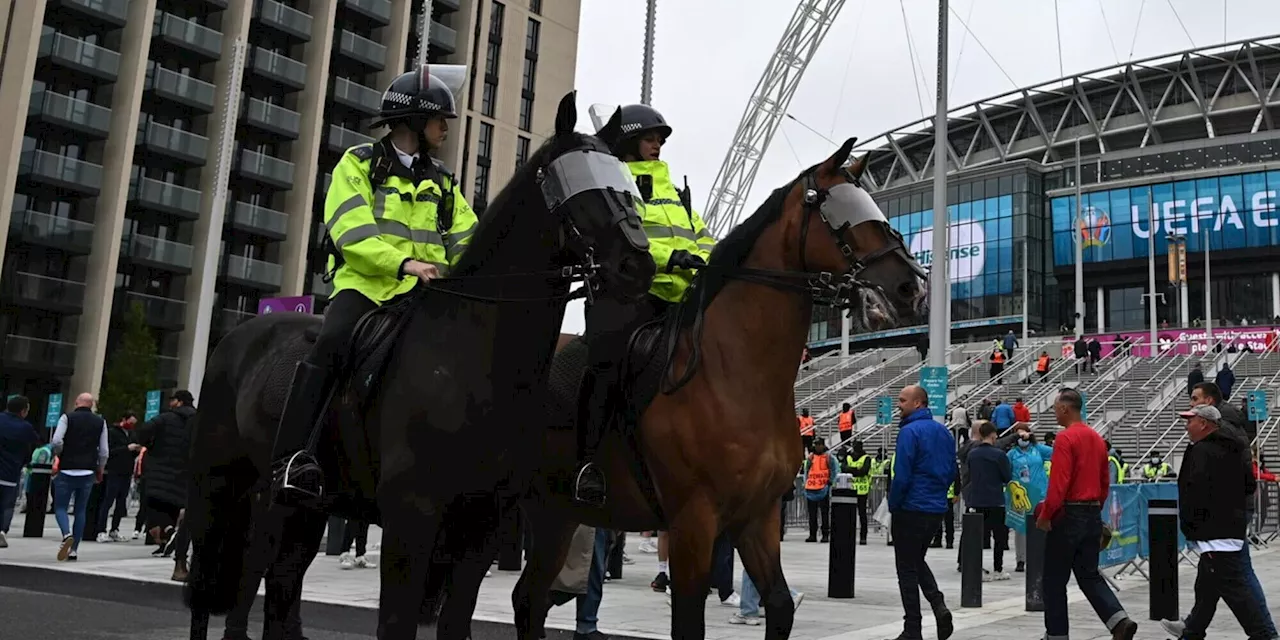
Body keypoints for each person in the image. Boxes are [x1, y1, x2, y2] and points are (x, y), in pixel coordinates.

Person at [271, 64, 478, 503]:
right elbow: (350, 228)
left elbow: (466, 238)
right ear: (416, 122)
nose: (446, 128)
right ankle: (292, 459)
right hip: (365, 287)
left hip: (428, 294)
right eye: (441, 119)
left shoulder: (442, 180)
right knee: (332, 341)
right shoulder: (358, 163)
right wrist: (404, 263)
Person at [574, 103, 715, 508]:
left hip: (684, 297)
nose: (658, 146)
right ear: (629, 142)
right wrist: (670, 258)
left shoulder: (674, 189)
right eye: (651, 138)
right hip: (635, 293)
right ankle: (590, 463)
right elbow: (622, 240)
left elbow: (701, 234)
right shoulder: (616, 184)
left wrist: (716, 261)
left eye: (660, 140)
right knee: (609, 363)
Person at [1161, 405, 1275, 640]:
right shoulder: (1232, 447)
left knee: (1237, 588)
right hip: (1226, 527)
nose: (1186, 425)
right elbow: (1248, 485)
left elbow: (1195, 490)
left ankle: (1264, 634)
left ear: (1204, 423)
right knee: (1207, 584)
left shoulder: (1203, 451)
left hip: (1215, 533)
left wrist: (1194, 524)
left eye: (1190, 420)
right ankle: (1191, 631)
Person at [1036, 388, 1138, 640]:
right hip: (1091, 513)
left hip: (1068, 515)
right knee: (1089, 574)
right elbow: (1104, 482)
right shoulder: (1095, 438)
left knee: (1054, 580)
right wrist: (1096, 509)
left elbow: (1059, 482)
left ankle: (1056, 635)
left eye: (1055, 407)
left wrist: (1047, 513)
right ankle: (1118, 620)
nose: (1053, 412)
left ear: (1064, 409)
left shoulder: (1065, 438)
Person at [887, 384, 956, 640]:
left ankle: (912, 628)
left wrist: (894, 505)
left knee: (906, 567)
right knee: (916, 559)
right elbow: (951, 471)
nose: (899, 405)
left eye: (903, 400)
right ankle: (937, 604)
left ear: (918, 403)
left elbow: (902, 475)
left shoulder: (909, 432)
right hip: (935, 508)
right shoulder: (943, 432)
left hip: (910, 507)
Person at [131, 390, 197, 580]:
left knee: (155, 509)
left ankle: (168, 532)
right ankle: (176, 549)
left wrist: (150, 446)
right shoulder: (199, 420)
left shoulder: (164, 419)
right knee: (177, 510)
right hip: (185, 474)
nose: (170, 403)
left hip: (159, 473)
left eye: (173, 400)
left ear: (180, 402)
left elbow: (142, 432)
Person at [50, 392, 108, 562]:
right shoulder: (100, 422)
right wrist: (100, 468)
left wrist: (61, 454)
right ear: (92, 405)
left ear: (76, 403)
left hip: (67, 468)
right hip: (88, 470)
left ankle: (66, 534)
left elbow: (56, 441)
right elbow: (104, 451)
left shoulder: (67, 418)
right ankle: (74, 550)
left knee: (60, 507)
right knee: (80, 510)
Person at [963, 421, 1012, 581]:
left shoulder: (972, 454)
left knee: (978, 537)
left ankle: (978, 569)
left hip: (977, 499)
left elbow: (969, 474)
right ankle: (998, 569)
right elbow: (1007, 477)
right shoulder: (999, 454)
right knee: (999, 537)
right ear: (992, 435)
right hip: (995, 500)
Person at [1006, 425, 1052, 572]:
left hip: (1040, 494)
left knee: (1041, 525)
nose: (1022, 438)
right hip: (1021, 496)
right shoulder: (1012, 454)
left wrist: (1034, 440)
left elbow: (1055, 452)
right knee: (1021, 529)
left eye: (1024, 435)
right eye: (1019, 436)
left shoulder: (1038, 450)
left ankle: (1041, 557)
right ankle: (1021, 559)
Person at [0, 395, 38, 548]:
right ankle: (2, 530)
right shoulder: (25, 427)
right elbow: (33, 444)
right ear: (23, 411)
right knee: (7, 504)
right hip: (10, 472)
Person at [96, 411, 138, 542]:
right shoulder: (112, 433)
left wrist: (135, 450)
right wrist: (126, 449)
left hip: (127, 471)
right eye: (130, 422)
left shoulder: (131, 434)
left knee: (121, 502)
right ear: (123, 419)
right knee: (108, 501)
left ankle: (115, 529)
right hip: (114, 470)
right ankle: (101, 530)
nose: (131, 425)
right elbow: (109, 451)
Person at [802, 436, 839, 543]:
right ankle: (812, 534)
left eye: (819, 444)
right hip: (812, 488)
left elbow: (833, 469)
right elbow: (807, 471)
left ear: (823, 445)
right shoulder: (811, 457)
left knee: (824, 513)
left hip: (823, 489)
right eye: (816, 445)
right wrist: (806, 483)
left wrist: (830, 481)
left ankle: (825, 534)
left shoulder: (828, 457)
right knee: (812, 514)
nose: (817, 447)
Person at [841, 439, 874, 545]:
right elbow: (843, 468)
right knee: (849, 515)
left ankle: (863, 537)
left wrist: (851, 469)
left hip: (862, 490)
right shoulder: (849, 457)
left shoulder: (866, 458)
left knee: (862, 514)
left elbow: (864, 471)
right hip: (850, 489)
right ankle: (849, 536)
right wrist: (856, 470)